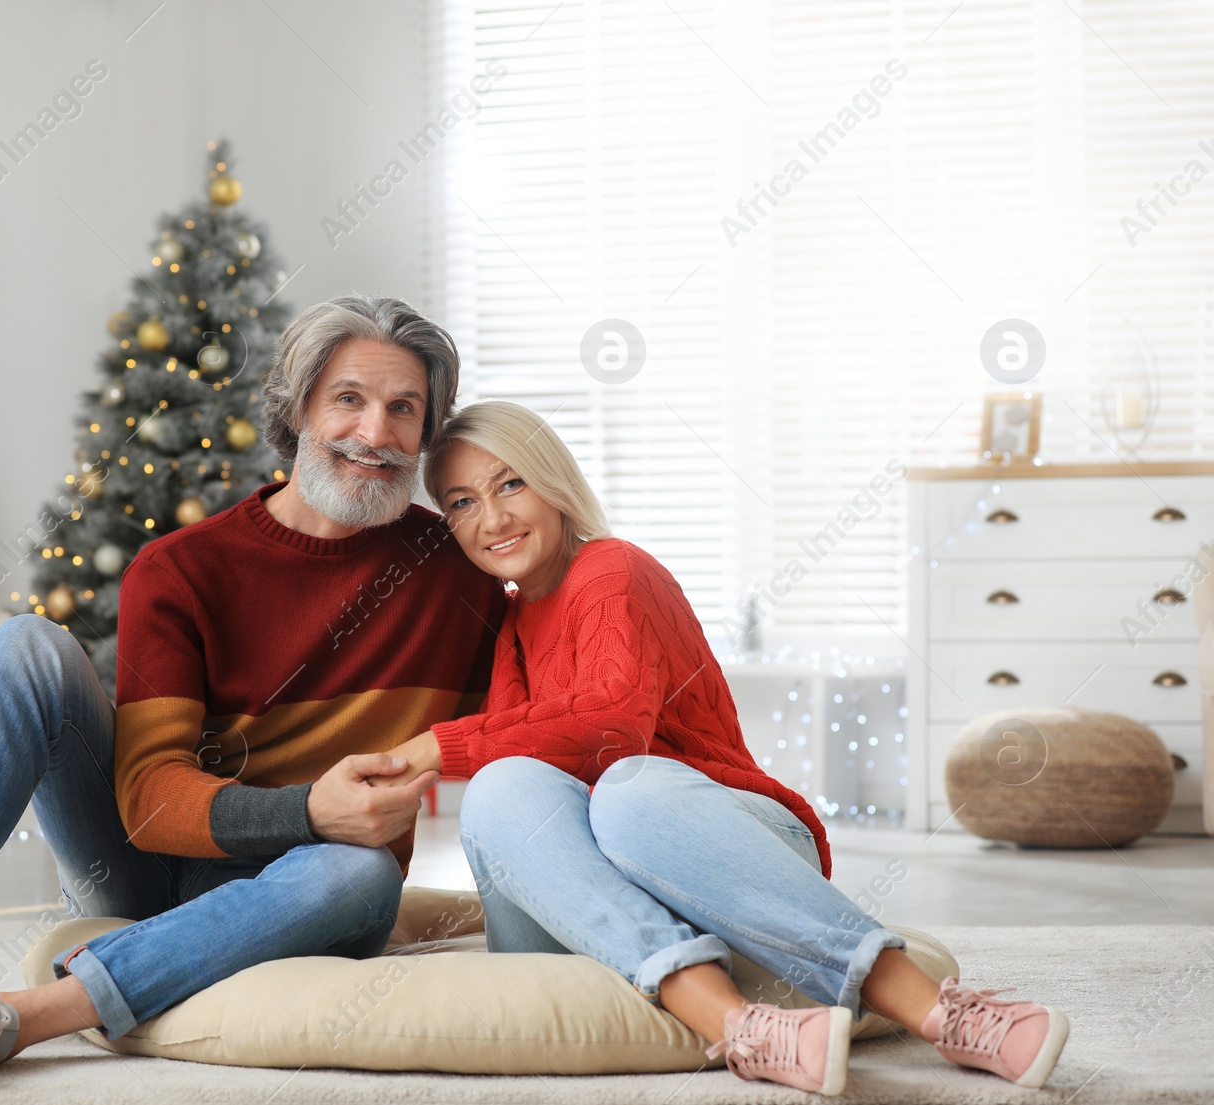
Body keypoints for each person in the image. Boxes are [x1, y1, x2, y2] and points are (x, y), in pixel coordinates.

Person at [0, 294, 506, 1085]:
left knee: (362, 868)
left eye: (403, 408)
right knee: (26, 646)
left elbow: (548, 708)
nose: (375, 434)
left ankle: (11, 1018)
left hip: (313, 890)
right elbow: (148, 799)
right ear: (299, 407)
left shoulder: (457, 572)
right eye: (349, 399)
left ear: (425, 433)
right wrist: (308, 807)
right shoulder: (182, 568)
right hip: (146, 873)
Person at [373, 400, 1070, 1096]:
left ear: (554, 482)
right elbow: (524, 784)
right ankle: (750, 1029)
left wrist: (438, 747)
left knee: (627, 788)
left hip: (715, 848)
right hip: (604, 895)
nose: (492, 519)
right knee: (500, 788)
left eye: (511, 483)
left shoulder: (613, 570)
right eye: (462, 502)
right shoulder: (512, 621)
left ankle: (938, 1010)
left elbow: (614, 721)